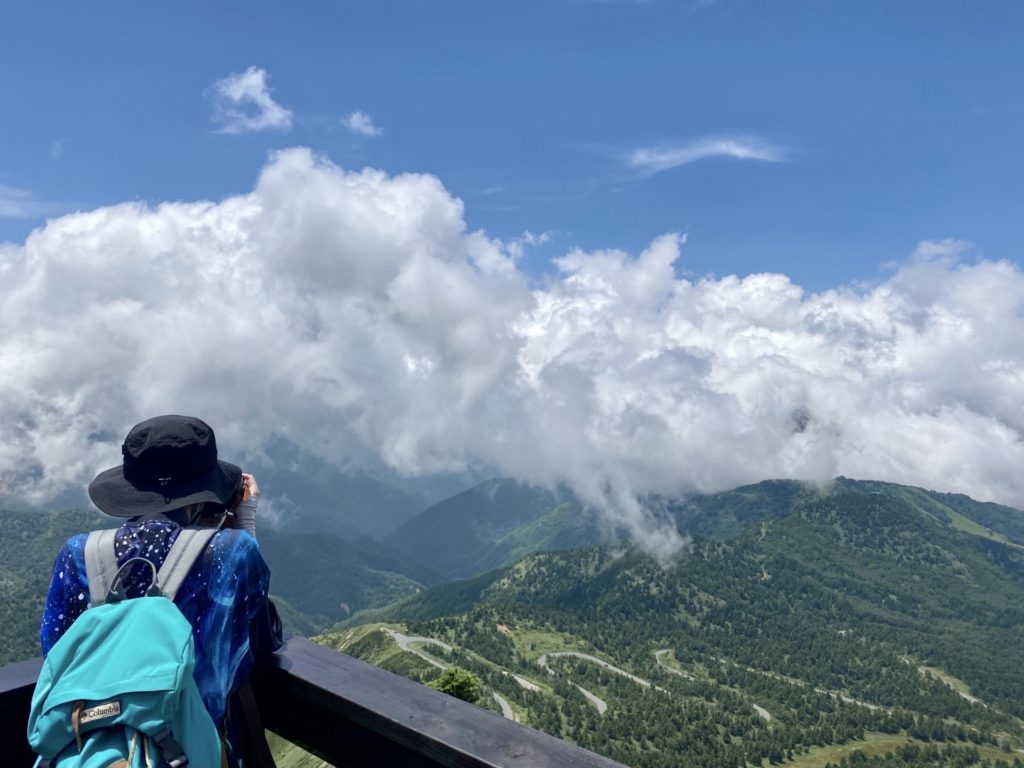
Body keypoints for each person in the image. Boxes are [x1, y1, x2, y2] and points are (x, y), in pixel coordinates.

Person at [39, 414, 281, 764]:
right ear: (208, 488)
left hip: (89, 745)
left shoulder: (78, 553)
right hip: (191, 750)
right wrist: (243, 525)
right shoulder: (231, 552)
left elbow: (55, 654)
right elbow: (262, 638)